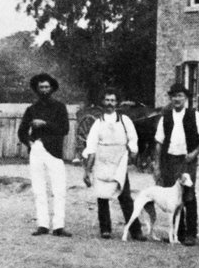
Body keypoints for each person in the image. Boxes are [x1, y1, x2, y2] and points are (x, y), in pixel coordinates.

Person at [82, 87, 145, 240]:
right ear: (103, 102)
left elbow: (133, 140)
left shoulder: (125, 120)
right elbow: (91, 147)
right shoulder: (97, 123)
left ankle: (135, 231)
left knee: (125, 197)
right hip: (103, 161)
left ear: (117, 103)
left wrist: (132, 154)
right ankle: (105, 229)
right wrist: (87, 171)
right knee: (102, 196)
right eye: (107, 100)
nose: (110, 103)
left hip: (119, 162)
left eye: (113, 100)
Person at [154, 82, 199, 246]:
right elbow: (158, 143)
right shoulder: (165, 117)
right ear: (170, 98)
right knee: (172, 196)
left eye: (180, 96)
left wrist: (194, 153)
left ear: (186, 99)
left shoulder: (194, 115)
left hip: (187, 161)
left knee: (189, 194)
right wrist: (157, 165)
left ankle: (191, 234)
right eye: (174, 96)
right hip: (170, 160)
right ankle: (176, 234)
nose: (177, 99)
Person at [19, 73, 71, 236]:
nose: (44, 90)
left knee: (59, 189)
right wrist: (29, 143)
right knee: (38, 189)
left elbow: (65, 129)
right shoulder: (31, 109)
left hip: (54, 152)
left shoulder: (59, 107)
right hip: (37, 150)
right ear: (37, 89)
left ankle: (58, 226)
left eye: (47, 87)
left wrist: (45, 124)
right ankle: (42, 224)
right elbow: (21, 131)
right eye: (41, 87)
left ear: (52, 88)